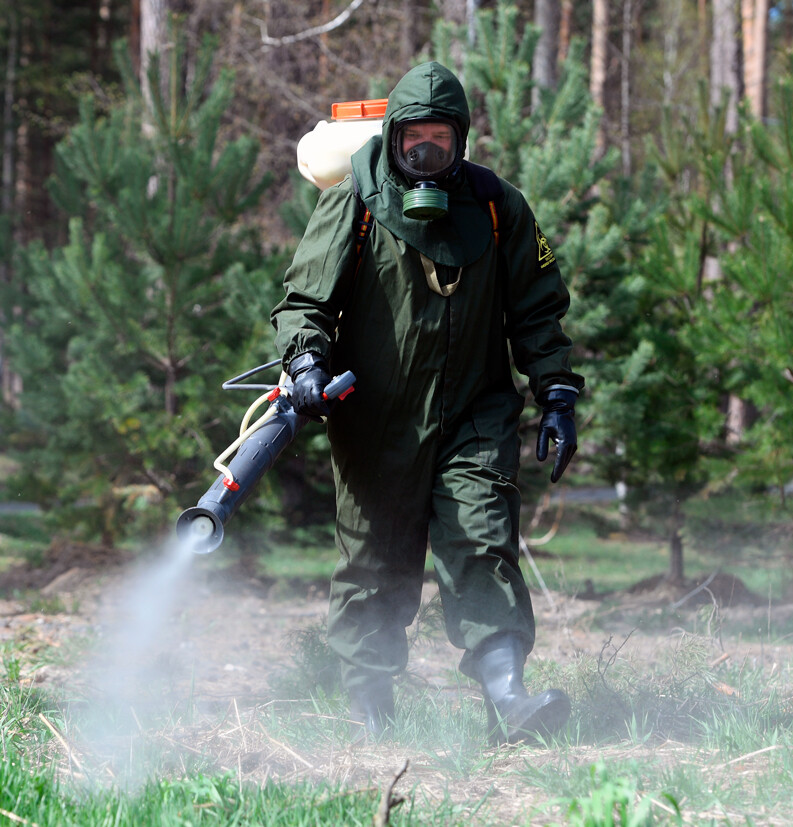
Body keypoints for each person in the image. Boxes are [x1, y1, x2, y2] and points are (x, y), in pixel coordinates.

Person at [271, 61, 583, 745]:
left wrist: (556, 390)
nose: (425, 156)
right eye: (413, 141)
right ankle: (368, 716)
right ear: (391, 135)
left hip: (476, 415)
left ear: (461, 139)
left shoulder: (500, 208)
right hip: (375, 418)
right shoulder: (355, 200)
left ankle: (509, 701)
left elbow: (538, 312)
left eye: (440, 141)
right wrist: (305, 360)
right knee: (374, 559)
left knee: (482, 541)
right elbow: (305, 301)